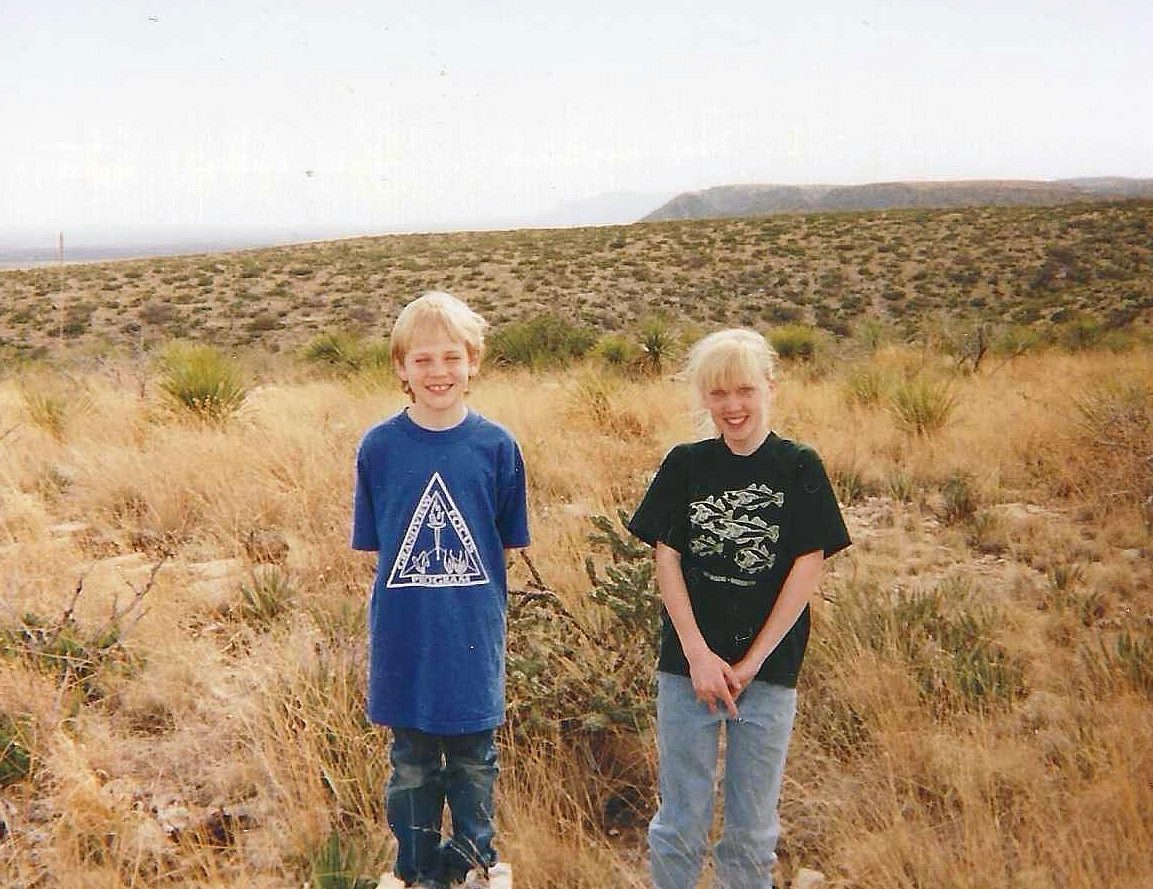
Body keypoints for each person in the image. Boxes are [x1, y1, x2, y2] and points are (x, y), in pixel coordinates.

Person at [628, 328, 851, 889]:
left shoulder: (798, 464)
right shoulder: (685, 465)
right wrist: (699, 655)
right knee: (681, 821)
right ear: (704, 397)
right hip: (687, 669)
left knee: (751, 829)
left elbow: (807, 565)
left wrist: (751, 661)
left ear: (769, 388)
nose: (733, 406)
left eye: (745, 390)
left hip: (769, 670)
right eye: (719, 393)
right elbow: (668, 559)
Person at [351, 291, 530, 889]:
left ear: (473, 362)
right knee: (411, 765)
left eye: (451, 358)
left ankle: (475, 866)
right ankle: (416, 871)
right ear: (401, 367)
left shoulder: (497, 447)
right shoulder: (379, 448)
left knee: (476, 762)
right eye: (422, 360)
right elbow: (381, 544)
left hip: (472, 634)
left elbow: (502, 543)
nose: (438, 372)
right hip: (405, 635)